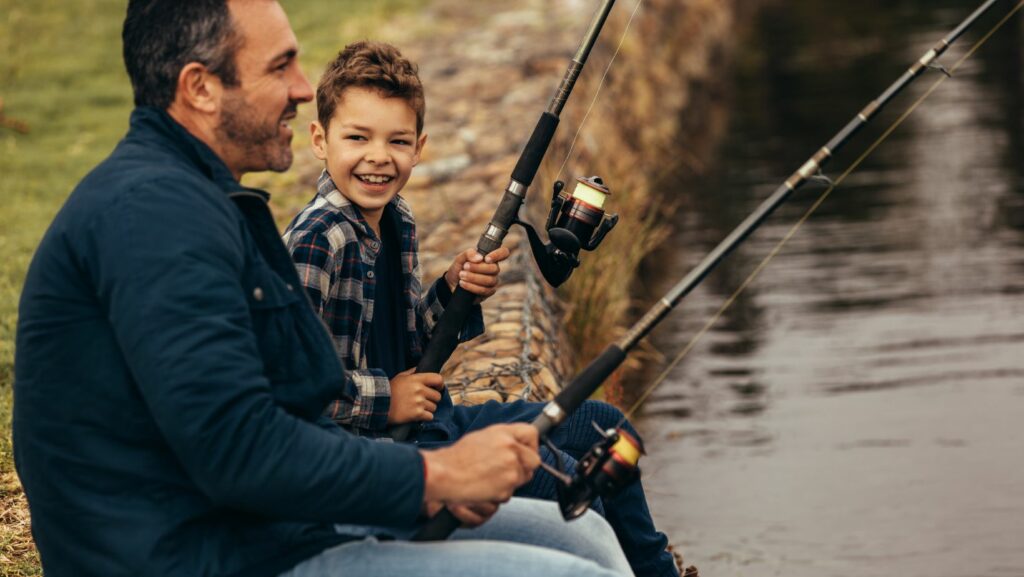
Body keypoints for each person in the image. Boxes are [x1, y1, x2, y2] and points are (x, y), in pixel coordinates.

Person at [12, 2, 633, 576]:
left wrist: (417, 465)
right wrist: (434, 473)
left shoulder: (202, 201)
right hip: (203, 555)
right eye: (280, 66)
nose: (303, 88)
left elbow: (288, 402)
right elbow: (241, 447)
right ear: (201, 88)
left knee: (588, 542)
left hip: (271, 525)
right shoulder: (154, 218)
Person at [283, 40, 679, 577]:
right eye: (358, 137)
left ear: (419, 146)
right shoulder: (316, 242)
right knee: (554, 473)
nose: (378, 156)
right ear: (319, 141)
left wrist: (452, 290)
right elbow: (294, 391)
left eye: (397, 141)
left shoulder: (395, 216)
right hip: (377, 457)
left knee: (607, 429)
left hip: (432, 424)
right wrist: (387, 399)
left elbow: (410, 345)